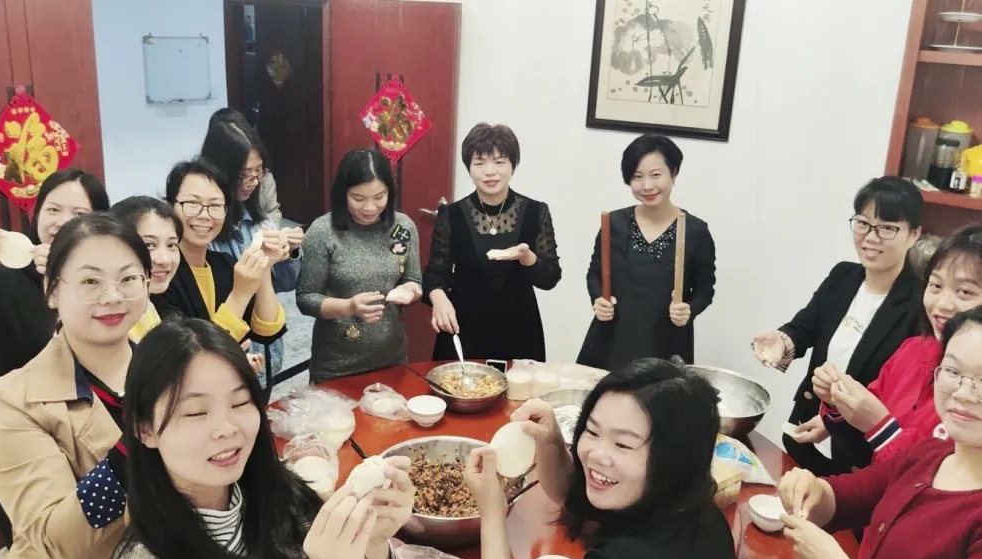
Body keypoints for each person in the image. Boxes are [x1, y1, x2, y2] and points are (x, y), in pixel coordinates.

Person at [93, 318, 412, 559]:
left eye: (240, 402)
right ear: (144, 429)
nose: (227, 428)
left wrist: (373, 546)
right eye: (196, 412)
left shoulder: (284, 498)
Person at [464, 359, 741, 559]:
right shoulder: (705, 518)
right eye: (592, 431)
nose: (596, 454)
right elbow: (578, 503)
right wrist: (550, 440)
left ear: (673, 459)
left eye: (623, 445)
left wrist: (492, 514)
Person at [0, 213, 150, 559]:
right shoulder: (14, 401)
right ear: (52, 291)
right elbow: (55, 537)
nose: (113, 296)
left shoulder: (167, 364)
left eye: (129, 278)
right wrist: (137, 443)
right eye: (90, 281)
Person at [777, 305, 982, 559]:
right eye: (953, 371)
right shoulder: (930, 454)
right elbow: (848, 497)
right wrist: (811, 490)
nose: (964, 393)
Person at [751, 177, 923, 474]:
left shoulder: (919, 305)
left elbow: (901, 395)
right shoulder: (843, 276)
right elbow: (806, 326)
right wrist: (782, 341)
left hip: (859, 452)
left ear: (914, 234)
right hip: (805, 431)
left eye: (887, 228)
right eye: (863, 224)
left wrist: (835, 421)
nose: (871, 237)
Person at [0, 168, 109, 546]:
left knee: (104, 543)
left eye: (78, 214)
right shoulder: (4, 280)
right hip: (29, 441)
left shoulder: (111, 284)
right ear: (36, 214)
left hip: (102, 439)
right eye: (53, 210)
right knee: (39, 548)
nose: (62, 222)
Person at [810, 224, 982, 467]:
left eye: (964, 292)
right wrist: (837, 405)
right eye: (935, 285)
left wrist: (881, 427)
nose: (942, 304)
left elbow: (941, 479)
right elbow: (861, 450)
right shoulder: (912, 350)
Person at [422, 123, 561, 361]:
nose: (490, 172)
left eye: (499, 162)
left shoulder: (535, 211)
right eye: (479, 163)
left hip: (520, 330)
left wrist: (527, 257)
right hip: (464, 327)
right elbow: (435, 274)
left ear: (512, 165)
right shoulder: (452, 215)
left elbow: (550, 278)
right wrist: (438, 297)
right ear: (468, 168)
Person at [577, 134, 716, 369]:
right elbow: (595, 273)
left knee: (659, 392)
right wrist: (598, 298)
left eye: (656, 175)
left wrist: (689, 310)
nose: (647, 186)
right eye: (637, 177)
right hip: (611, 339)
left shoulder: (695, 230)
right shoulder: (613, 223)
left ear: (673, 173)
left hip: (666, 342)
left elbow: (705, 289)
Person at [297, 148, 422, 383]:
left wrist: (411, 291)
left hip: (391, 357)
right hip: (336, 365)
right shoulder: (323, 231)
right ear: (343, 193)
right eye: (358, 198)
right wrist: (349, 307)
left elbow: (413, 279)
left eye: (379, 197)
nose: (369, 208)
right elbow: (306, 298)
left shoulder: (403, 227)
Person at [201, 109, 303, 382]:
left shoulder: (260, 220)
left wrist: (290, 252)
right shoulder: (202, 232)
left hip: (265, 348)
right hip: (220, 357)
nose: (253, 183)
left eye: (259, 173)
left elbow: (285, 284)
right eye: (244, 175)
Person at [154, 159, 287, 349]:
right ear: (169, 206)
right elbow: (190, 355)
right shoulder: (160, 275)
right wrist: (239, 295)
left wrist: (263, 265)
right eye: (192, 203)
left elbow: (268, 331)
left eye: (215, 205)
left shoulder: (224, 264)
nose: (204, 215)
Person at [110, 196, 183, 342]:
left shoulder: (147, 308)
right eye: (149, 245)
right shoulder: (108, 316)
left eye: (171, 245)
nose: (164, 260)